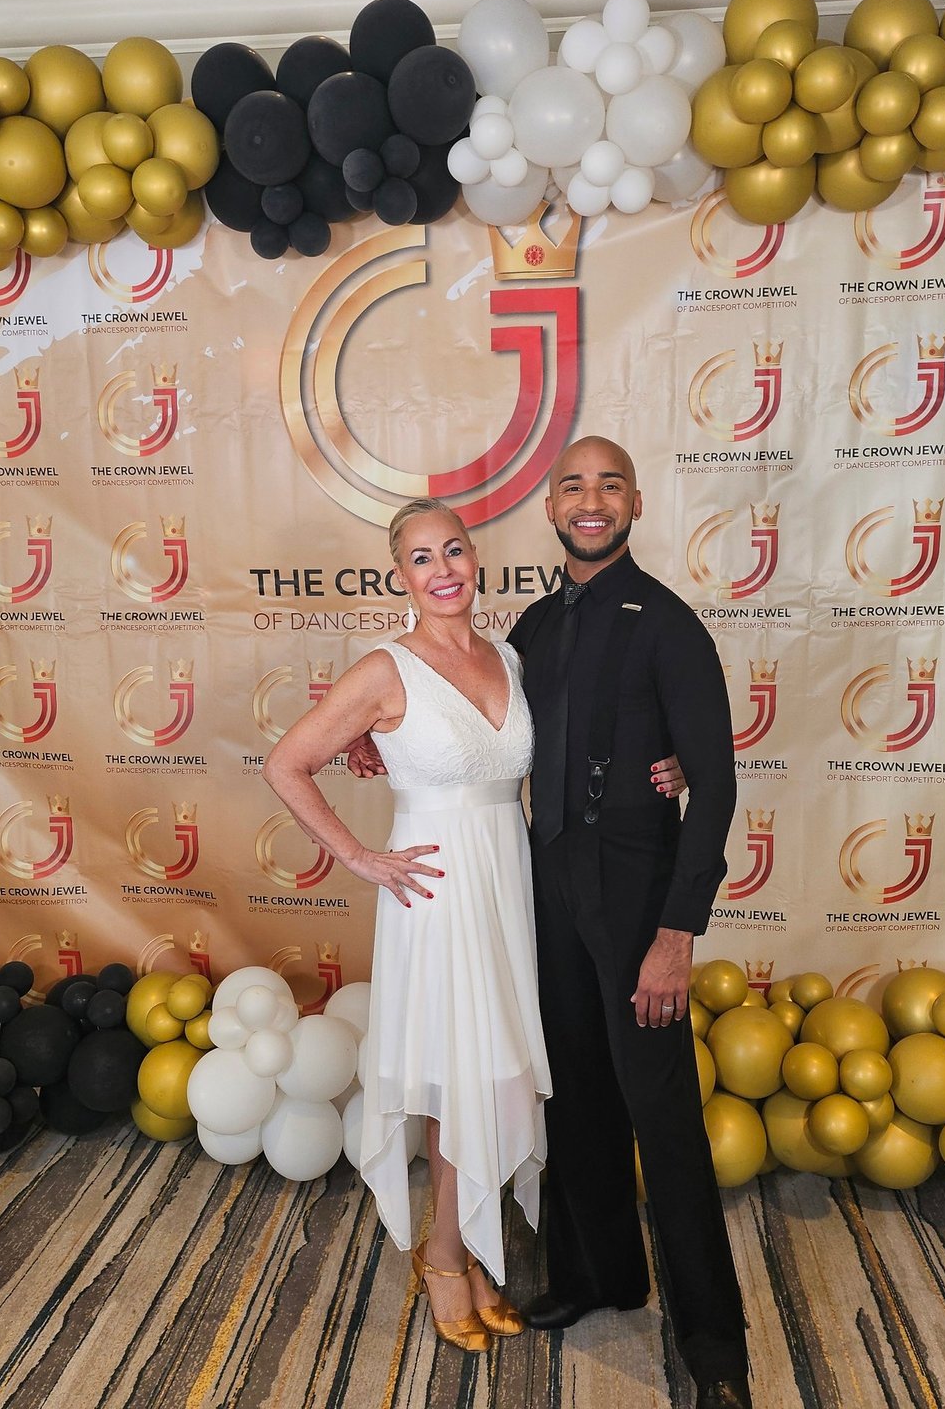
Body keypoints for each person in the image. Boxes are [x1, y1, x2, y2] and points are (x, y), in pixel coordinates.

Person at [357, 439, 751, 1406]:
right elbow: (469, 726)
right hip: (537, 888)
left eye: (609, 484)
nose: (590, 500)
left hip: (636, 899)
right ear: (548, 505)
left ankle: (716, 1351)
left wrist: (676, 932)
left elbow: (715, 784)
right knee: (572, 1095)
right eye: (573, 485)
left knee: (662, 1118)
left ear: (635, 503)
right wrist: (383, 746)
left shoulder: (670, 625)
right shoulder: (524, 628)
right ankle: (595, 1278)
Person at [264, 497, 685, 1356]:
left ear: (474, 557)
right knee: (457, 1075)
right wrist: (362, 857)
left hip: (509, 879)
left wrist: (670, 759)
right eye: (421, 558)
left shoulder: (509, 657)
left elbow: (577, 745)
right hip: (436, 890)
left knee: (493, 1073)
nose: (443, 569)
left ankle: (460, 1245)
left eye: (453, 550)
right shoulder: (385, 668)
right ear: (400, 576)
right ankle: (447, 1257)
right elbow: (287, 763)